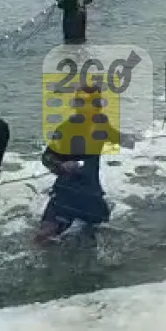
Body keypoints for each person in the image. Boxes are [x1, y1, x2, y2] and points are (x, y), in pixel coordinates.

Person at [35, 85, 137, 242]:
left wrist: (128, 139)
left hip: (91, 194)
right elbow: (47, 157)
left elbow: (115, 136)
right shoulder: (66, 129)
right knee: (45, 236)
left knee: (102, 233)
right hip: (66, 194)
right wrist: (61, 166)